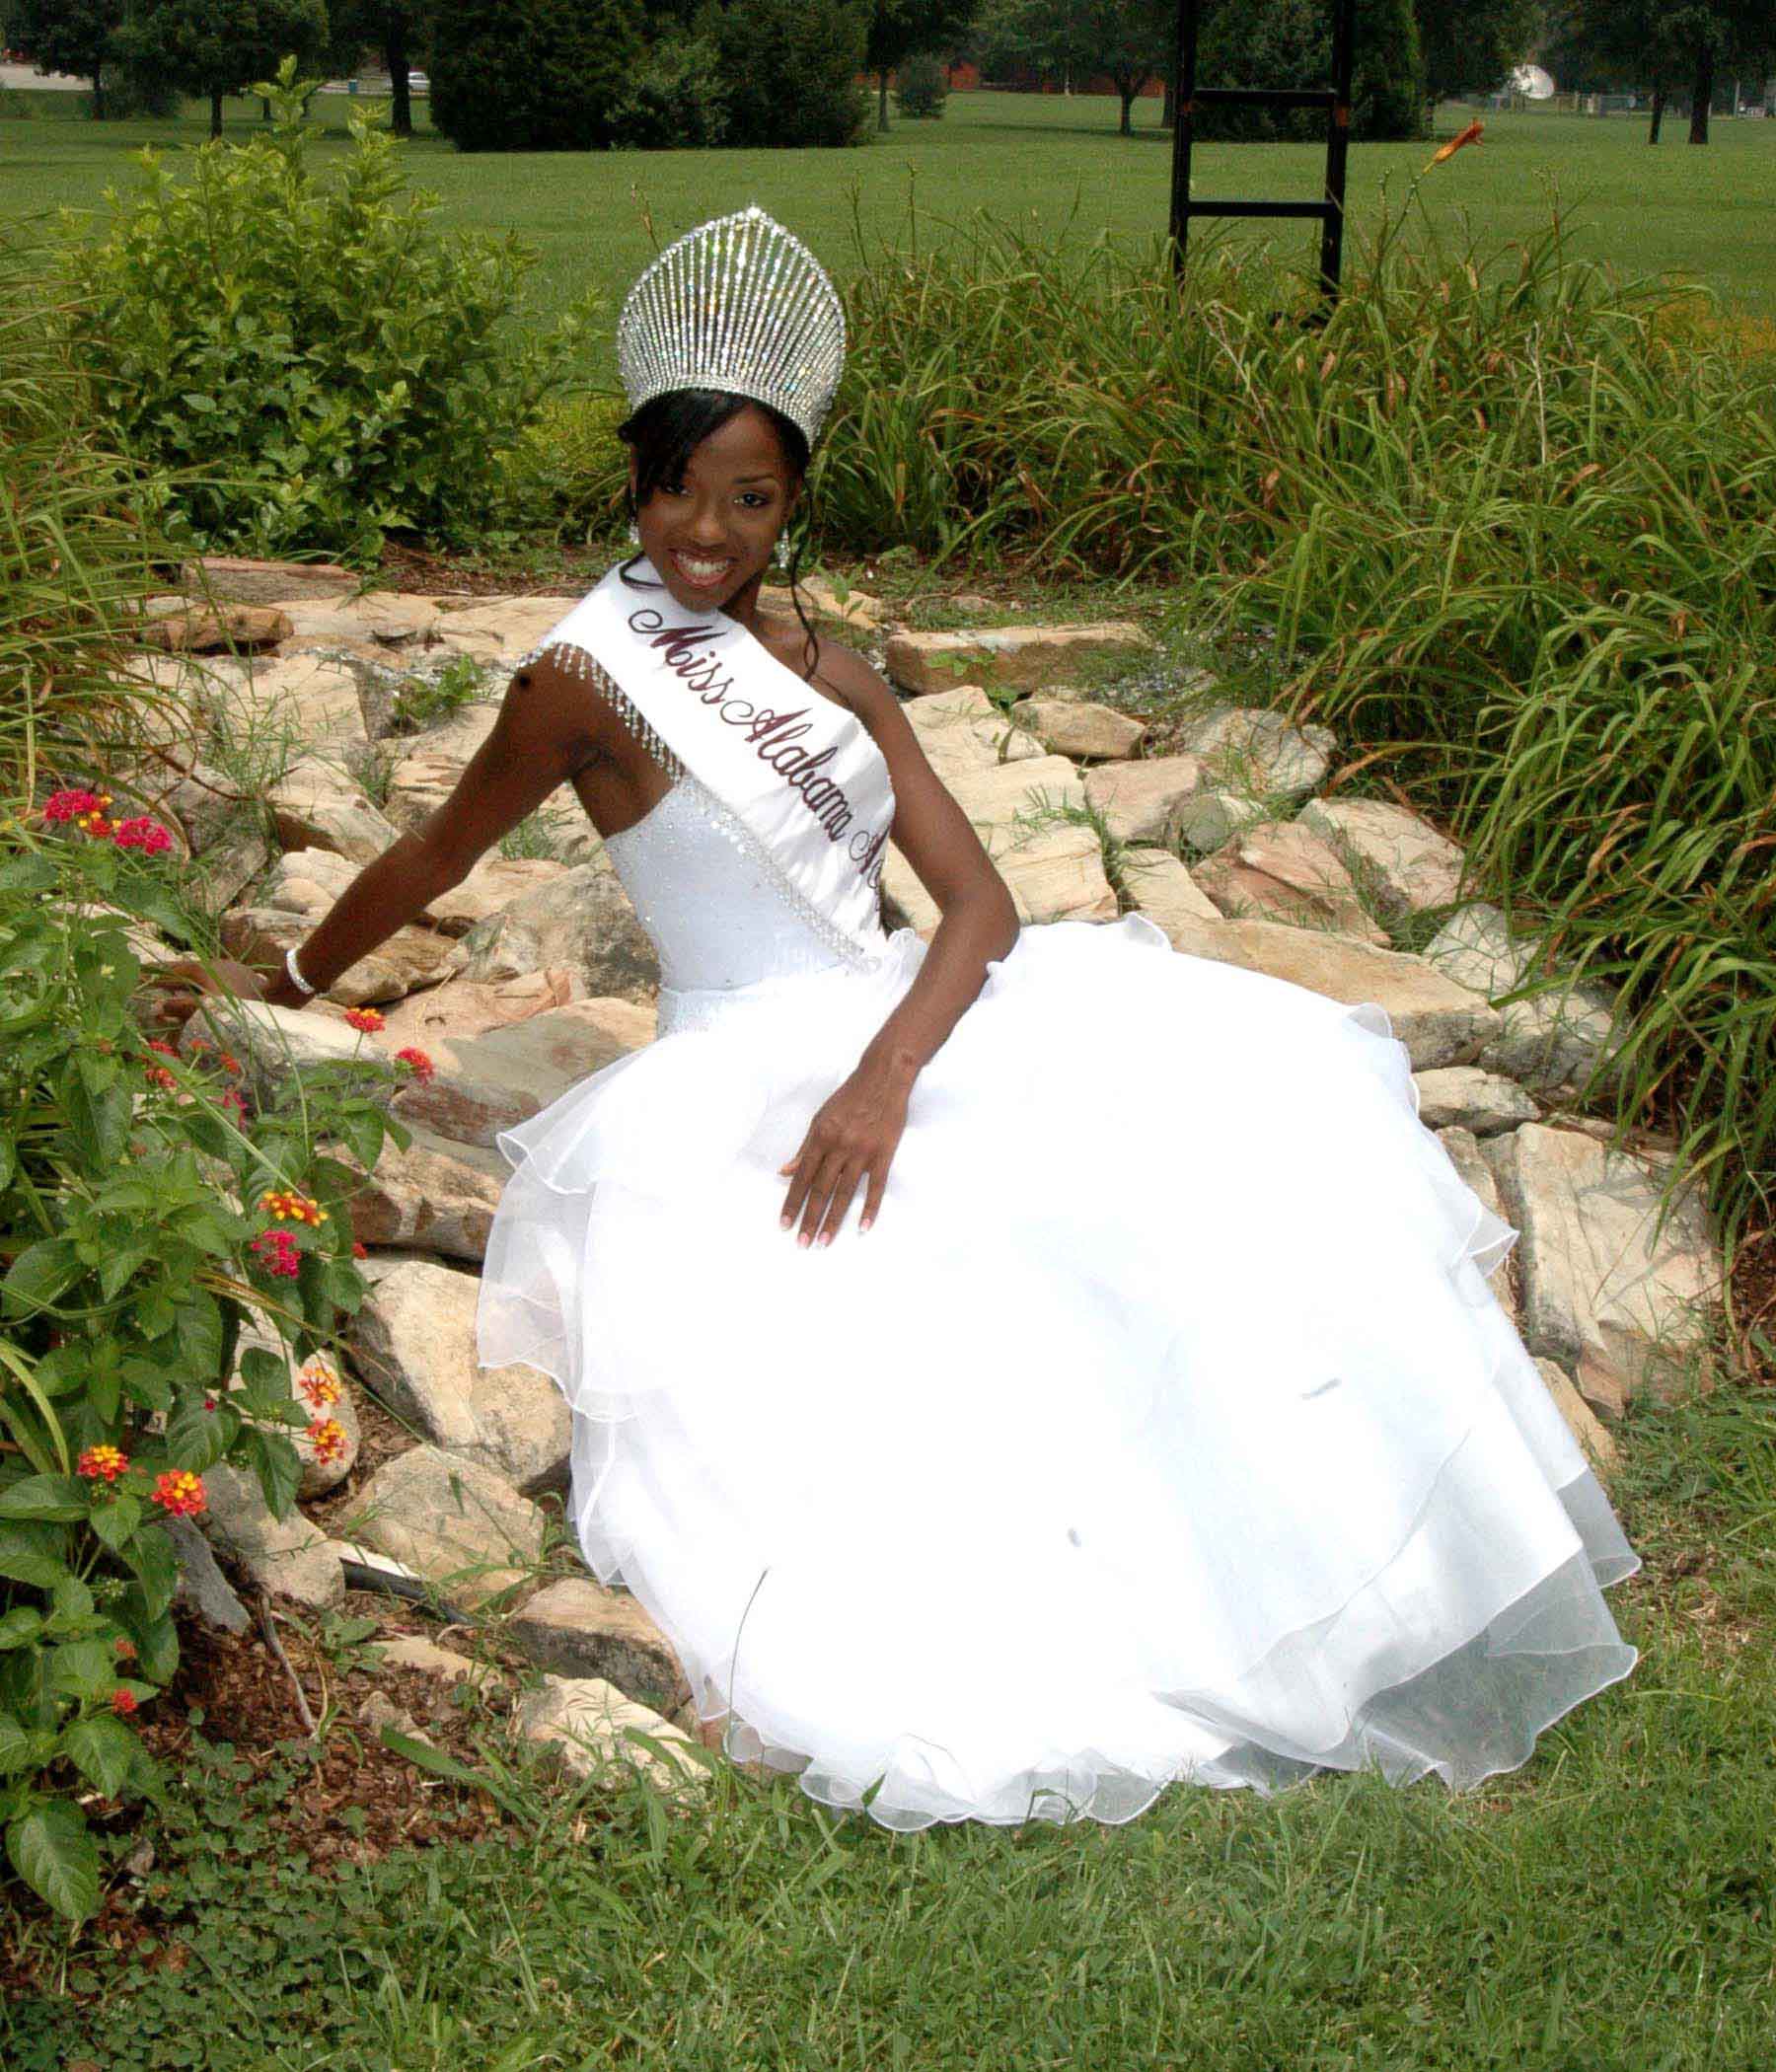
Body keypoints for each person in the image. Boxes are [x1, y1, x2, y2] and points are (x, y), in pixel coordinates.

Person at [251, 207, 1638, 1829]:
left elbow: (979, 906)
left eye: (751, 499)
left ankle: (1323, 1580)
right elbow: (436, 852)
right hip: (735, 1070)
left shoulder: (831, 668)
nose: (708, 529)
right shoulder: (586, 677)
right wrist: (288, 984)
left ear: (793, 505)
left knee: (1183, 1194)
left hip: (909, 1024)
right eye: (680, 488)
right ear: (635, 480)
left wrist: (885, 1077)